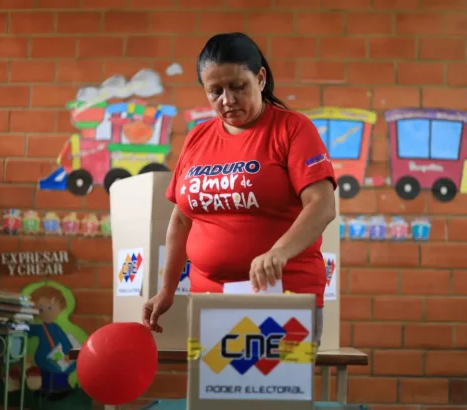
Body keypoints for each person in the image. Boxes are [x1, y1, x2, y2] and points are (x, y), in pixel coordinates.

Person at [142, 32, 337, 345]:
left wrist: (279, 252)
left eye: (238, 86)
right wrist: (166, 290)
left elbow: (322, 205)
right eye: (215, 91)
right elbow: (181, 219)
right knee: (217, 394)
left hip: (284, 300)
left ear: (260, 78)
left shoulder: (292, 128)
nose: (227, 100)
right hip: (210, 303)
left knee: (277, 393)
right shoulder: (197, 138)